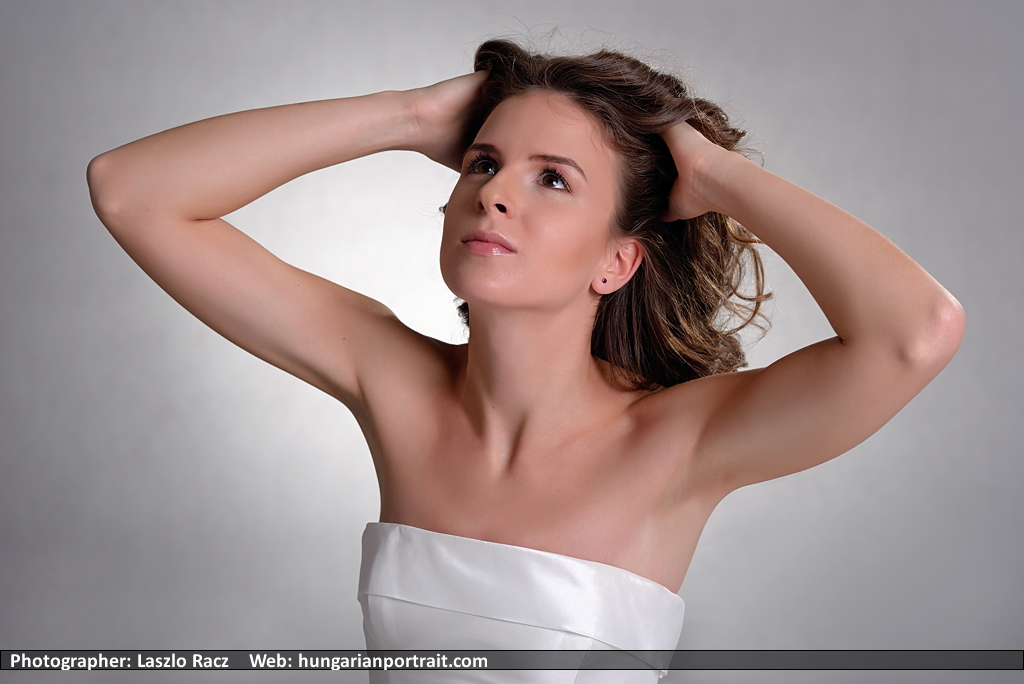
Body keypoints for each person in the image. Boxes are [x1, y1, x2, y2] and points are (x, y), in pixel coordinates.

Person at [87, 39, 965, 682]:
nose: (495, 193)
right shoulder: (393, 382)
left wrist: (713, 174)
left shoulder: (678, 443)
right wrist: (408, 117)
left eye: (553, 178)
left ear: (616, 261)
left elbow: (916, 331)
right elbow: (131, 191)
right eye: (482, 162)